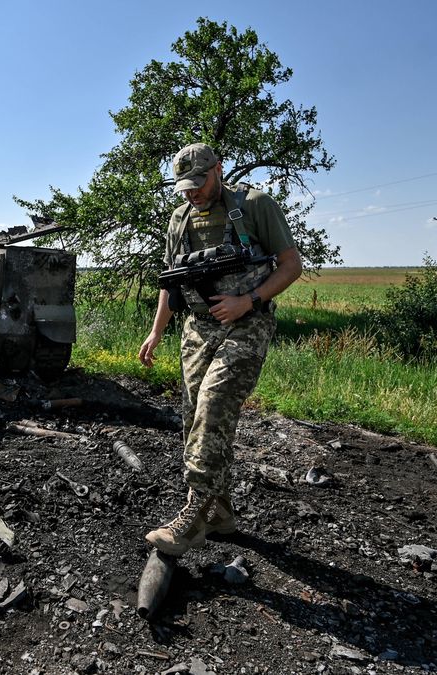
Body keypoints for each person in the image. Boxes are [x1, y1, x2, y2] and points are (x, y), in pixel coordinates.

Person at [138, 142, 302, 556]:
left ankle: (193, 518)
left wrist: (249, 301)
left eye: (199, 182)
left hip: (247, 323)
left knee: (213, 404)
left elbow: (290, 264)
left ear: (219, 170)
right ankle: (222, 511)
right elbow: (171, 282)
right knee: (195, 418)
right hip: (196, 328)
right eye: (185, 187)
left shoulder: (254, 205)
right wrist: (157, 332)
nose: (192, 192)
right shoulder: (179, 219)